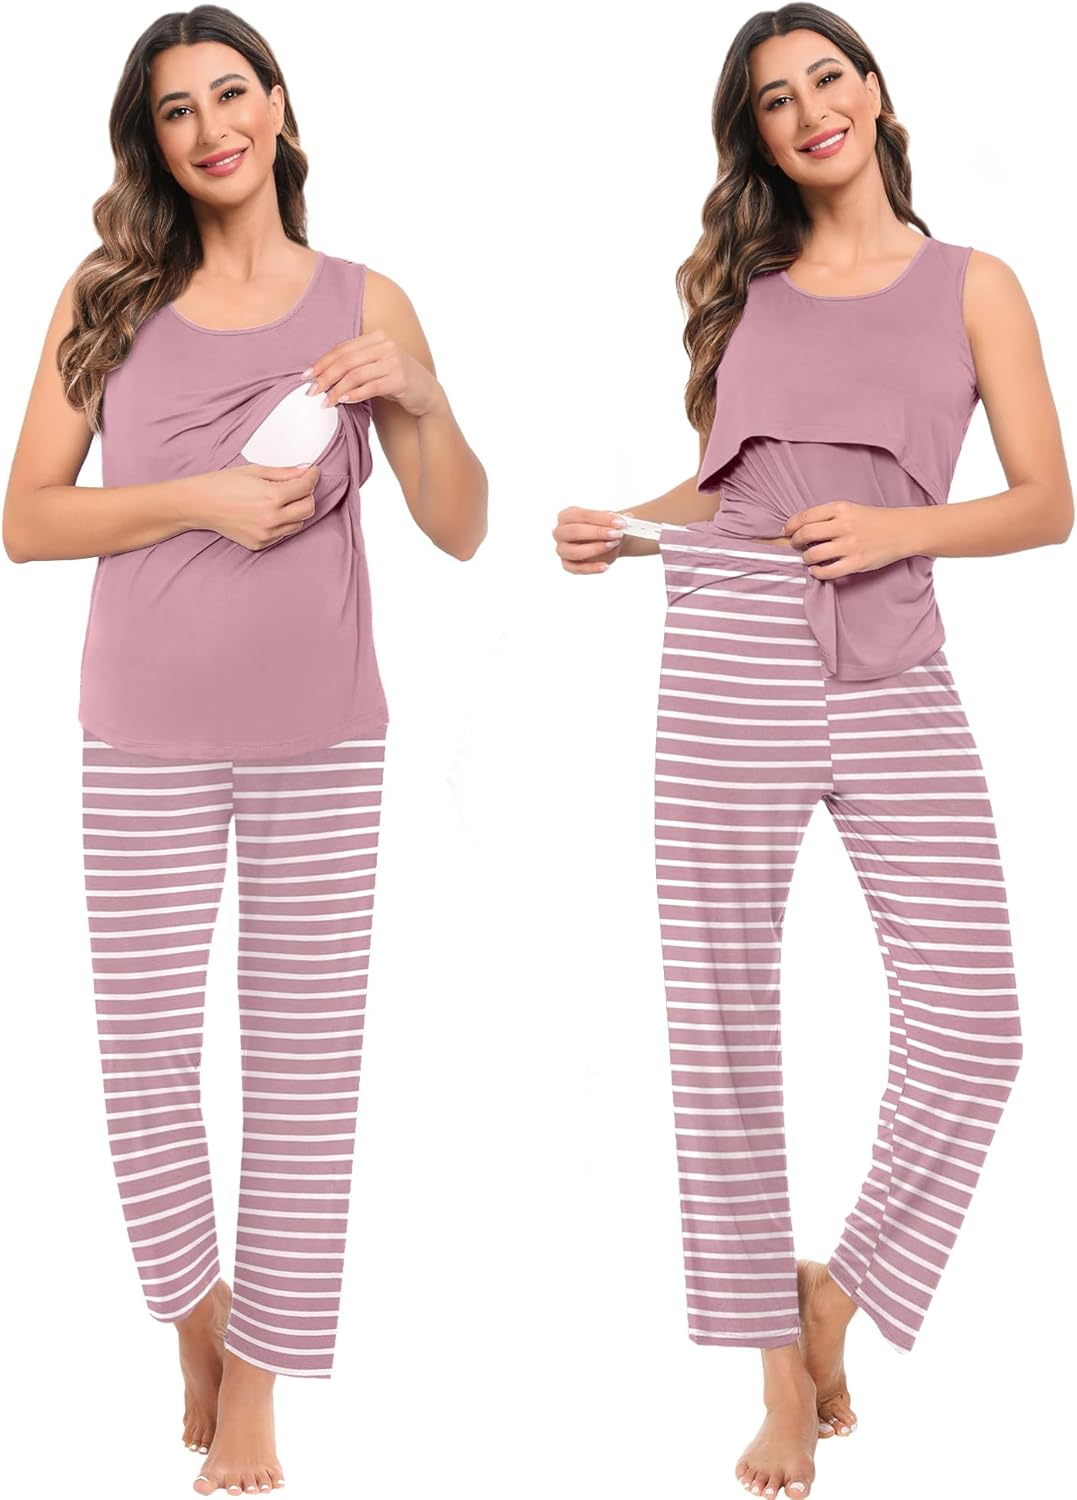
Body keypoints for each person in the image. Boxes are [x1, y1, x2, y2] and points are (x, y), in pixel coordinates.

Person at [553, 7, 1070, 1499]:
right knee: (722, 1016)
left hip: (893, 658)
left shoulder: (975, 284)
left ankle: (833, 1295)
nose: (807, 110)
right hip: (731, 649)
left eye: (825, 77)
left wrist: (901, 530)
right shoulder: (752, 296)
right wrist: (623, 526)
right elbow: (731, 488)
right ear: (761, 138)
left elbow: (1046, 502)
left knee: (978, 1026)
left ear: (875, 93)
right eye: (774, 99)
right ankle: (772, 1375)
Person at [2, 6, 486, 1496]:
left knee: (302, 1070)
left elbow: (462, 527)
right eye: (175, 110)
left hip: (321, 737)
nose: (210, 128)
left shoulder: (365, 303)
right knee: (144, 1057)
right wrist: (197, 497)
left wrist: (419, 395)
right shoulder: (108, 294)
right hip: (142, 730)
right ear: (150, 142)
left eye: (231, 94)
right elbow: (27, 519)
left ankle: (261, 1385)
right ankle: (195, 1316)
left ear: (278, 108)